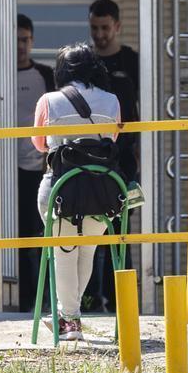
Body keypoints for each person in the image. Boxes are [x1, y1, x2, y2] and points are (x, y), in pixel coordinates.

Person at [32, 43, 122, 341]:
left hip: (61, 190)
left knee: (63, 253)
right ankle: (67, 315)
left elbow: (39, 143)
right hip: (101, 189)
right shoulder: (112, 100)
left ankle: (70, 320)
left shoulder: (49, 100)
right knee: (88, 251)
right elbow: (113, 138)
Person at [86, 0, 141, 310]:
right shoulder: (86, 62)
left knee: (121, 229)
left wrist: (138, 152)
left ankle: (120, 299)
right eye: (94, 28)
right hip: (92, 155)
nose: (100, 34)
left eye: (105, 28)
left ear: (117, 26)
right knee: (90, 228)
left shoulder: (131, 61)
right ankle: (91, 298)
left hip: (123, 159)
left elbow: (142, 108)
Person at [16, 14, 56, 312]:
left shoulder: (45, 75)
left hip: (39, 170)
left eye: (25, 39)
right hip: (5, 173)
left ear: (32, 41)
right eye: (15, 39)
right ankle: (20, 299)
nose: (21, 46)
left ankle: (44, 300)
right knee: (13, 240)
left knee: (41, 237)